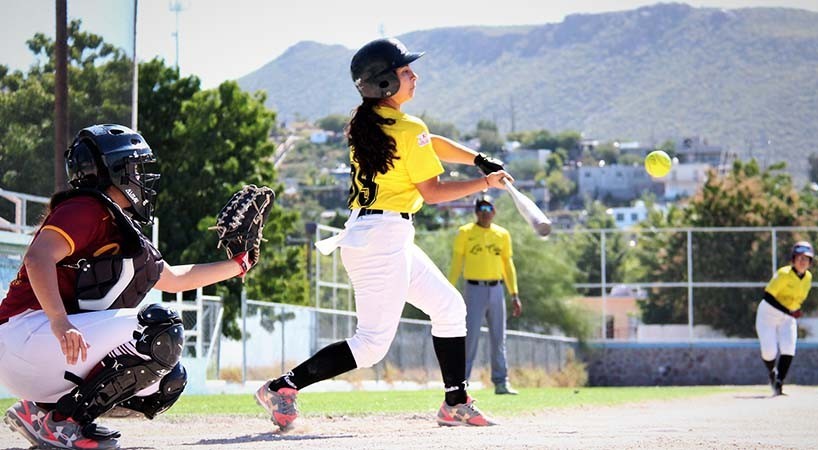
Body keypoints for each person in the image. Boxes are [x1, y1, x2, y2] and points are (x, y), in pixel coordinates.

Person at [255, 37, 513, 429]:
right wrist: (484, 183)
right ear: (384, 83)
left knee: (449, 308)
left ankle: (455, 401)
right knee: (371, 345)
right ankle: (282, 387)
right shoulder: (407, 128)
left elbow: (428, 142)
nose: (414, 76)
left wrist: (476, 159)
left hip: (382, 234)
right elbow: (433, 191)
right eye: (405, 71)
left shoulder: (370, 121)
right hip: (381, 239)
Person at [0, 124, 256, 450]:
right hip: (25, 335)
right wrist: (60, 321)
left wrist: (239, 265)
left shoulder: (113, 220)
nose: (143, 177)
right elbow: (38, 258)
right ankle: (63, 422)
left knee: (167, 382)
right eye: (137, 168)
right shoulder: (87, 208)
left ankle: (39, 411)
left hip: (33, 351)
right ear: (115, 170)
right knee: (159, 330)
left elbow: (174, 279)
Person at [448, 196, 522, 395]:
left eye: (488, 207)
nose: (484, 212)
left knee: (499, 337)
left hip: (496, 289)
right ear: (475, 212)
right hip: (474, 289)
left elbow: (508, 265)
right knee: (470, 337)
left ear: (494, 211)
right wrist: (449, 288)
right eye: (481, 208)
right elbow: (457, 263)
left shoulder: (502, 234)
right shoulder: (465, 233)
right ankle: (461, 384)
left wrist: (514, 293)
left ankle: (501, 382)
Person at [755, 241, 814, 396]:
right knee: (769, 352)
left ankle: (778, 383)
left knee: (789, 347)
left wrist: (795, 310)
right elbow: (768, 296)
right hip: (768, 314)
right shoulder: (783, 273)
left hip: (787, 317)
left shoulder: (808, 277)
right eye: (799, 258)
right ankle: (772, 373)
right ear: (793, 259)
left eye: (806, 259)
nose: (802, 262)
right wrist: (788, 310)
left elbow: (798, 299)